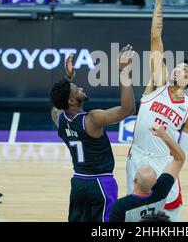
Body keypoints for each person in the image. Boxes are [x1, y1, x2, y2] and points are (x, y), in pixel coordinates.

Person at [126, 0, 188, 222]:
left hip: (164, 163)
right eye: (177, 66)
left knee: (169, 215)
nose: (178, 69)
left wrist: (167, 142)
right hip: (137, 157)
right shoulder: (157, 84)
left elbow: (182, 153)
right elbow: (155, 38)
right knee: (135, 215)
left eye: (184, 70)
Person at [50, 47, 136, 222]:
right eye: (75, 89)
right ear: (72, 101)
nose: (80, 87)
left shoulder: (59, 119)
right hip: (100, 183)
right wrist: (124, 70)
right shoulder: (92, 119)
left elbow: (56, 105)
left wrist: (68, 79)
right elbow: (128, 109)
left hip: (78, 184)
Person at [110, 122, 186, 222]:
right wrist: (163, 136)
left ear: (134, 179)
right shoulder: (161, 192)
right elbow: (179, 158)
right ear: (155, 182)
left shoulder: (120, 206)